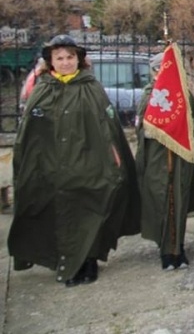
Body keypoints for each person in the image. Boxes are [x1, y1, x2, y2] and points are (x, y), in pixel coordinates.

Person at [8, 35, 140, 287]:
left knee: (89, 212)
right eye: (59, 58)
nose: (66, 62)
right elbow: (29, 135)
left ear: (79, 59)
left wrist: (114, 162)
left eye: (70, 57)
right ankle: (66, 262)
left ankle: (89, 260)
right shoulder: (43, 90)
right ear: (51, 61)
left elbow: (108, 129)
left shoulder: (91, 87)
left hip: (88, 165)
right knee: (58, 214)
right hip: (52, 168)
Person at [135, 52, 194, 270]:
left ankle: (178, 246)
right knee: (161, 200)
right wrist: (164, 130)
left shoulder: (185, 95)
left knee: (179, 200)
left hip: (180, 158)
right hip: (158, 158)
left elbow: (193, 126)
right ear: (155, 72)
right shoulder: (149, 95)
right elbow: (141, 128)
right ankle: (166, 249)